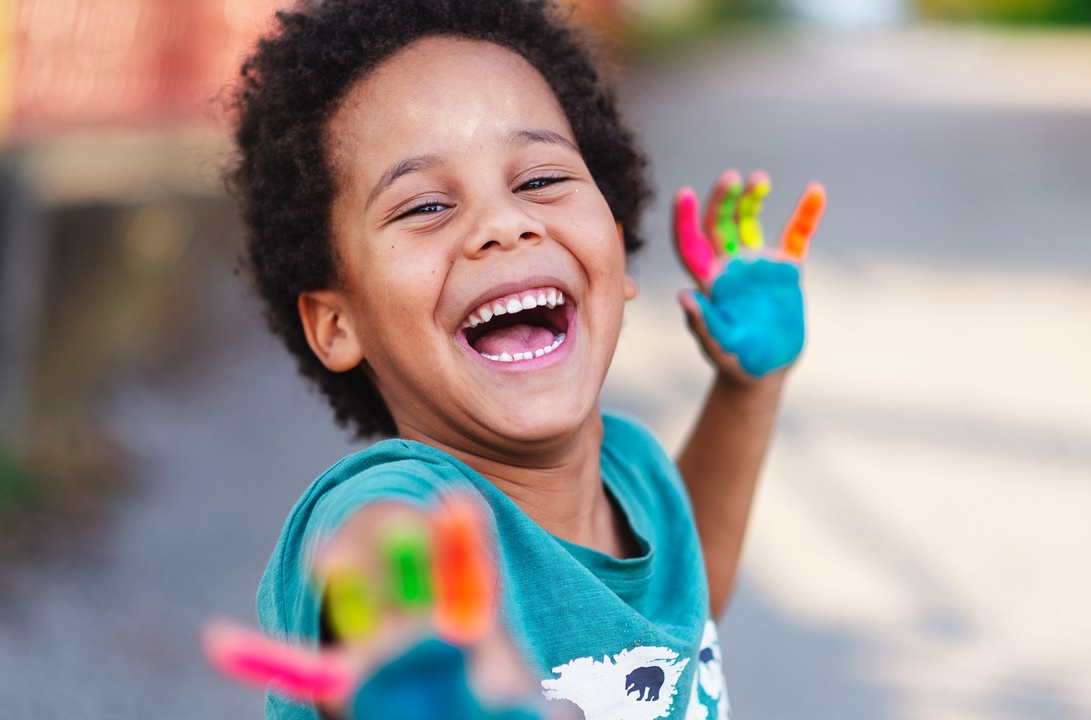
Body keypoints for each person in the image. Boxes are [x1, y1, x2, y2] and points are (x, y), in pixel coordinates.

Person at [225, 0, 820, 717]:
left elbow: (687, 609)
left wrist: (748, 392)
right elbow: (381, 560)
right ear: (335, 322)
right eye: (424, 206)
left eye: (539, 180)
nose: (504, 224)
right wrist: (420, 670)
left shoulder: (634, 470)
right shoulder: (394, 503)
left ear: (617, 239)